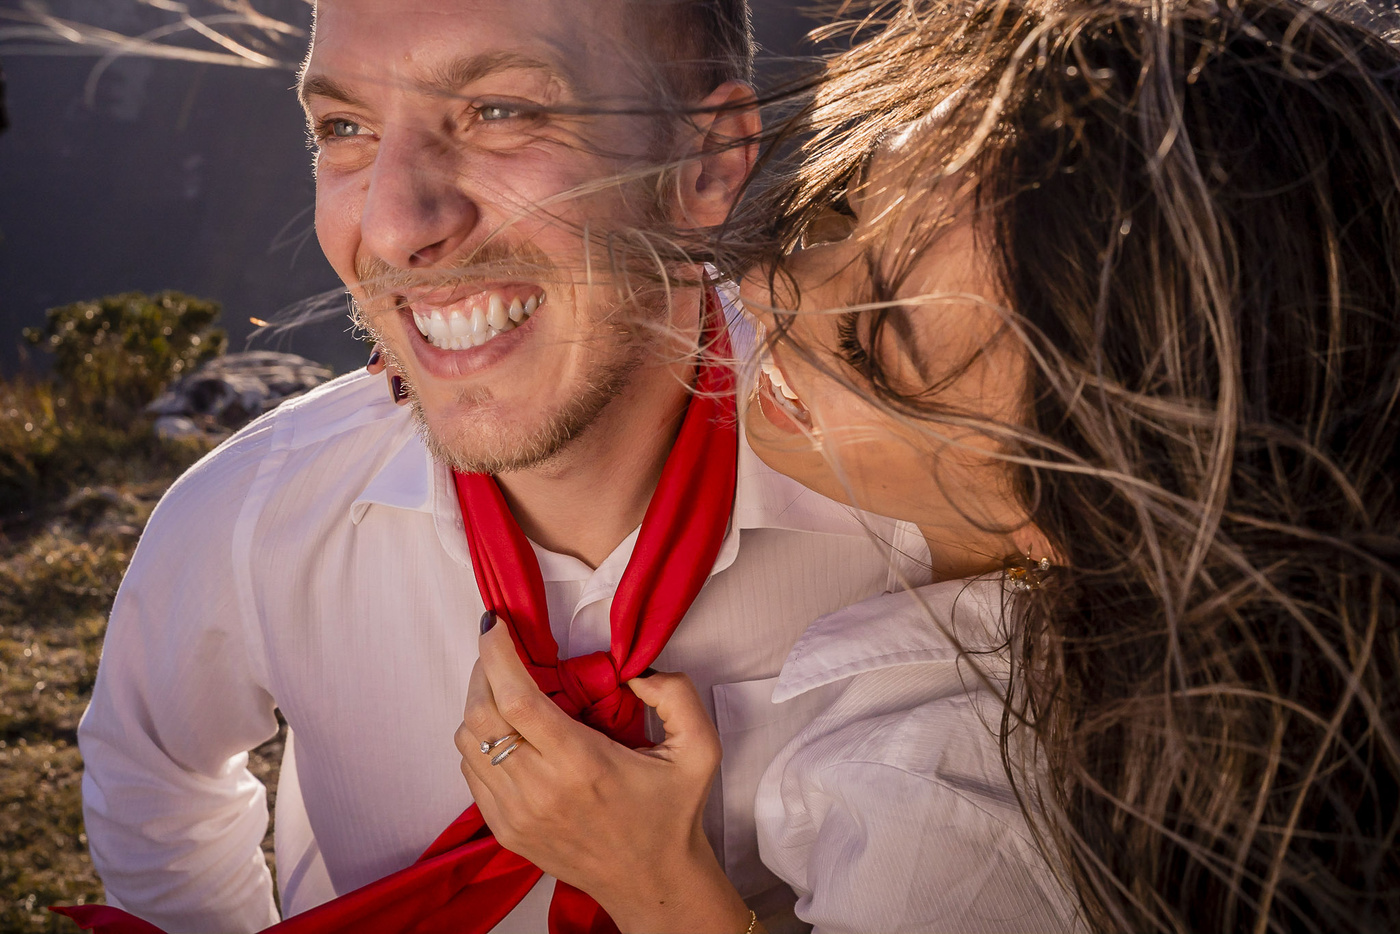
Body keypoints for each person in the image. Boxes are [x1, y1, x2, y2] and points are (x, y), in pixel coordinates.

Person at [455, 1, 1400, 932]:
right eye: (836, 215)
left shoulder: (944, 802)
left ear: (1090, 503)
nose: (766, 284)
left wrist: (655, 883)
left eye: (872, 341)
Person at [73, 2, 928, 932]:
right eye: (345, 129)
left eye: (500, 112)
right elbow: (152, 781)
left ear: (708, 164)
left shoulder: (925, 509)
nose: (392, 228)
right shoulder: (248, 514)